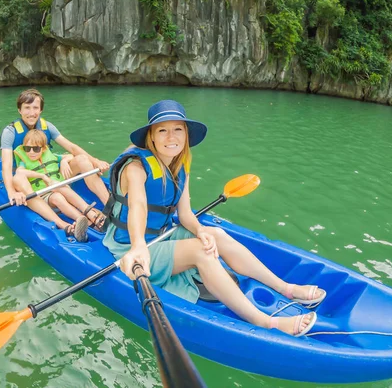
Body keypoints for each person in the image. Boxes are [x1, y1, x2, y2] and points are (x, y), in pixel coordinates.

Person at [102, 100, 326, 337]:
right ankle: (265, 322)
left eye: (177, 129)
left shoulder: (180, 165)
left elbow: (185, 214)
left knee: (214, 234)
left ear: (186, 134)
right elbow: (138, 206)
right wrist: (138, 246)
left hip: (160, 235)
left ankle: (286, 288)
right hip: (131, 246)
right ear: (152, 137)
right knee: (200, 252)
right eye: (162, 130)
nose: (171, 137)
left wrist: (200, 231)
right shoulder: (135, 167)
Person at [0, 89, 108, 231]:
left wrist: (95, 161)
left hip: (52, 174)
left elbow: (71, 147)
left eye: (35, 108)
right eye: (27, 108)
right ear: (19, 110)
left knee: (82, 159)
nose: (31, 113)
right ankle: (68, 221)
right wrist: (11, 193)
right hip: (28, 179)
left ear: (41, 110)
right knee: (20, 179)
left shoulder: (47, 127)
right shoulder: (10, 132)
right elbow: (7, 166)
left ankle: (110, 205)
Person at [14, 129, 103, 242]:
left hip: (58, 188)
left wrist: (63, 162)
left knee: (59, 188)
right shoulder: (23, 162)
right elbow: (20, 172)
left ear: (43, 148)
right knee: (57, 197)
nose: (31, 152)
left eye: (36, 149)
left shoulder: (50, 155)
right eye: (27, 149)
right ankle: (87, 222)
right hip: (44, 196)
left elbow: (70, 156)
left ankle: (87, 215)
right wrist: (42, 177)